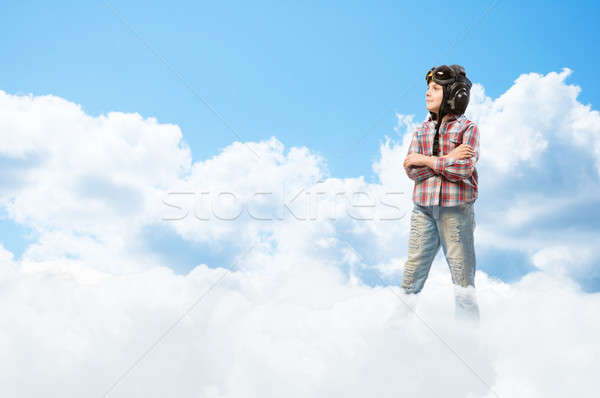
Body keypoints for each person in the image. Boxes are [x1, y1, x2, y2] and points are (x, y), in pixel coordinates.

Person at [395, 64, 481, 324]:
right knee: (412, 274)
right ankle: (394, 331)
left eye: (434, 89)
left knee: (462, 278)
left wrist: (426, 160)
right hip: (423, 211)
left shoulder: (468, 129)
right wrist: (446, 160)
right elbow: (412, 171)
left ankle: (469, 338)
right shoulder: (420, 130)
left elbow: (464, 169)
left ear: (455, 95)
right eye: (428, 89)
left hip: (456, 212)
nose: (427, 94)